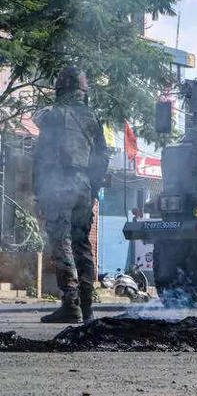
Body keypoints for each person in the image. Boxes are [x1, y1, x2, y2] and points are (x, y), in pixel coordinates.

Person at [33, 66, 109, 323]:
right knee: (82, 244)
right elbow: (102, 158)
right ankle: (87, 308)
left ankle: (71, 304)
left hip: (60, 185)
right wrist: (93, 188)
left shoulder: (54, 115)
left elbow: (41, 156)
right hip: (84, 187)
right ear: (83, 91)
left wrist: (39, 191)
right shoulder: (93, 118)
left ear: (61, 89)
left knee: (61, 242)